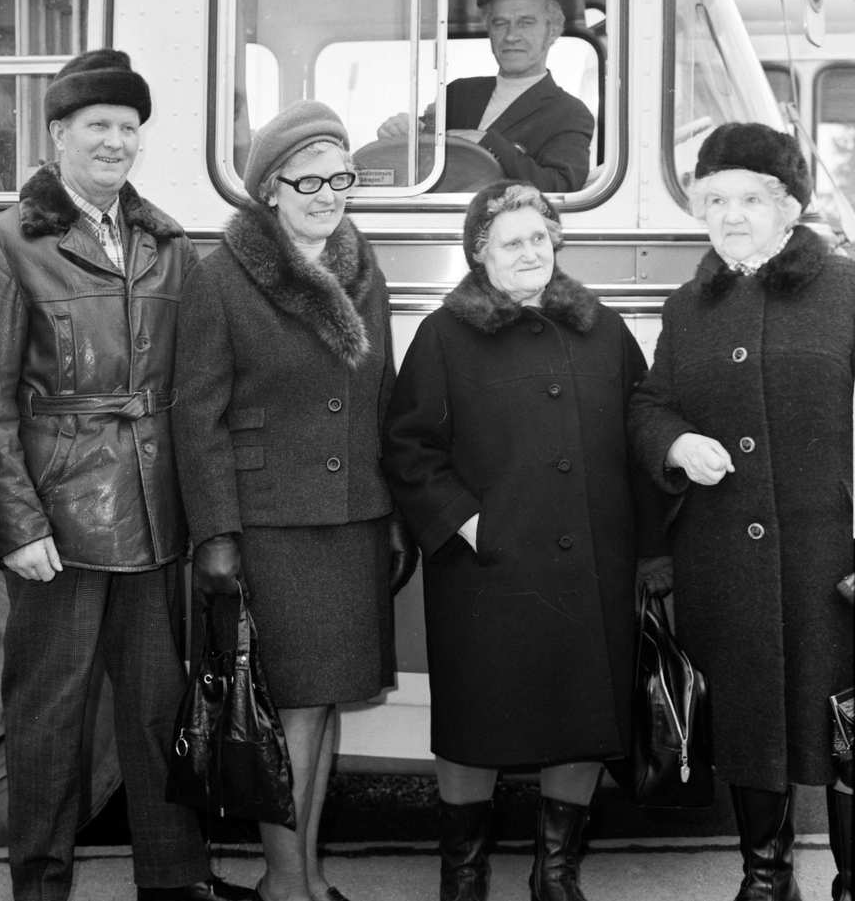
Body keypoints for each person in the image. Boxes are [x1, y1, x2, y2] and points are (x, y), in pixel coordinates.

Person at [0, 49, 252, 901]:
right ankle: (39, 886)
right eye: (98, 127)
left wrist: (201, 518)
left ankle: (174, 879)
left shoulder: (166, 243)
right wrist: (19, 525)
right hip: (60, 523)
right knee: (48, 720)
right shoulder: (1, 243)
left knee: (160, 712)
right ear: (58, 136)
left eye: (128, 128)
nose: (116, 142)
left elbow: (192, 392)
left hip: (157, 519)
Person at [381, 179, 667, 901]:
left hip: (590, 565)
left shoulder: (601, 327)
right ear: (479, 252)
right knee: (476, 721)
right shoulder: (446, 334)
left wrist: (652, 548)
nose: (530, 250)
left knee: (581, 716)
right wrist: (475, 527)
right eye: (512, 240)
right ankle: (464, 870)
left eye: (540, 236)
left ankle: (556, 870)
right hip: (488, 571)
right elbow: (410, 447)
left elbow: (640, 427)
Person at [172, 99, 417, 901]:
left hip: (351, 517)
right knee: (289, 712)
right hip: (271, 521)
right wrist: (216, 534)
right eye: (307, 178)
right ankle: (284, 881)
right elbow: (196, 413)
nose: (327, 192)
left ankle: (306, 871)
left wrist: (393, 513)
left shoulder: (361, 263)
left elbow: (377, 396)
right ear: (270, 188)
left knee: (327, 705)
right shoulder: (222, 276)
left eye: (340, 175)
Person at [628, 122, 853, 901]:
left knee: (845, 721)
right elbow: (648, 405)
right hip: (725, 555)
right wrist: (677, 441)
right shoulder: (687, 307)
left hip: (833, 561)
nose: (729, 214)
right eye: (713, 198)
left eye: (748, 198)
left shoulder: (847, 289)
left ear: (788, 206)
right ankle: (766, 875)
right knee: (753, 718)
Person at [377, 0, 595, 193]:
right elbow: (422, 148)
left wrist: (488, 142)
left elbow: (561, 187)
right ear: (489, 31)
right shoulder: (458, 93)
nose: (511, 36)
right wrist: (403, 132)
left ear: (553, 31)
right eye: (500, 24)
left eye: (525, 23)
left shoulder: (569, 112)